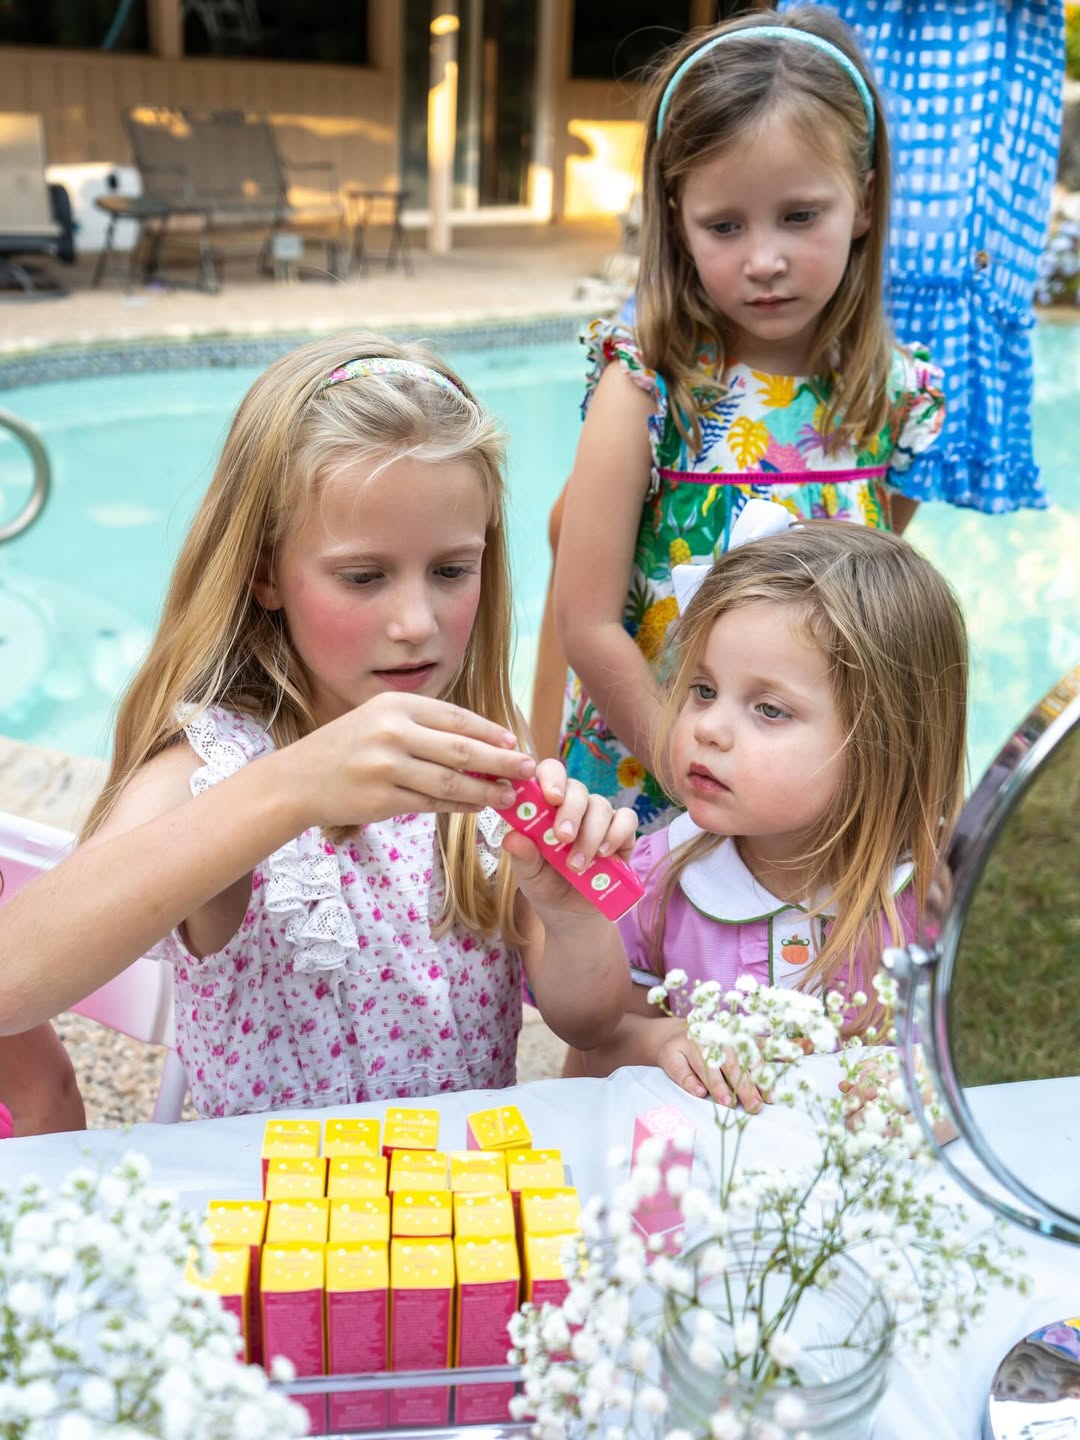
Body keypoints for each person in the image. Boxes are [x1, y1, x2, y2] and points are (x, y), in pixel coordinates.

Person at [0, 334, 635, 1121]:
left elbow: (591, 1019)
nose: (415, 622)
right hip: (275, 1222)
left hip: (458, 1222)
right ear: (265, 571)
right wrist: (292, 786)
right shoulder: (218, 765)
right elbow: (10, 981)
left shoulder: (475, 757)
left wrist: (570, 910)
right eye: (362, 577)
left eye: (450, 570)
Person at [554, 5, 945, 829]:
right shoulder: (647, 387)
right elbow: (585, 620)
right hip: (647, 786)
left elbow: (871, 620)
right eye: (724, 225)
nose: (763, 260)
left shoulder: (896, 400)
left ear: (864, 203)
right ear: (676, 221)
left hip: (806, 799)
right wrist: (691, 776)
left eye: (799, 217)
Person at [572, 515, 968, 1109]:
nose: (707, 727)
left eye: (769, 709)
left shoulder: (936, 891)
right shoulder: (652, 884)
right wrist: (657, 1041)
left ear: (884, 741)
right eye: (703, 690)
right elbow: (588, 1052)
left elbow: (992, 1061)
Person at [777, 0, 1063, 513]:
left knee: (903, 357)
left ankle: (845, 570)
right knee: (788, 177)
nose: (764, 261)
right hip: (848, 26)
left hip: (968, 45)